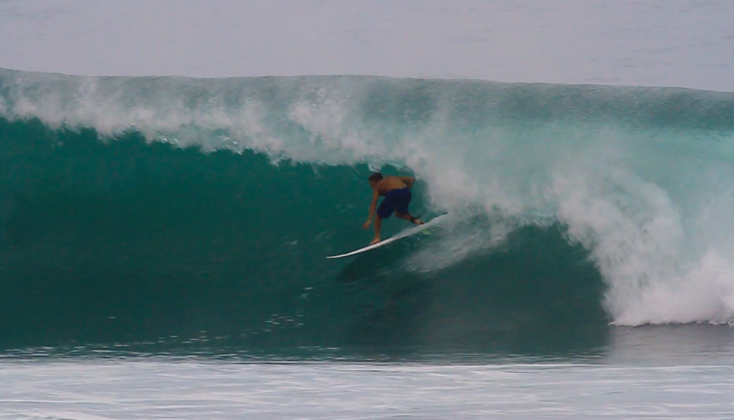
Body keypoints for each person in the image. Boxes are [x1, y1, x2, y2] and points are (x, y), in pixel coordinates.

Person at [362, 172, 424, 245]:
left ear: (376, 181)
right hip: (406, 193)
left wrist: (369, 219)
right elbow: (411, 179)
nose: (371, 186)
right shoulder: (392, 177)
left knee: (378, 215)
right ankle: (416, 220)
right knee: (399, 214)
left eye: (371, 183)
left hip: (393, 194)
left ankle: (377, 238)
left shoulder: (378, 186)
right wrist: (406, 190)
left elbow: (374, 203)